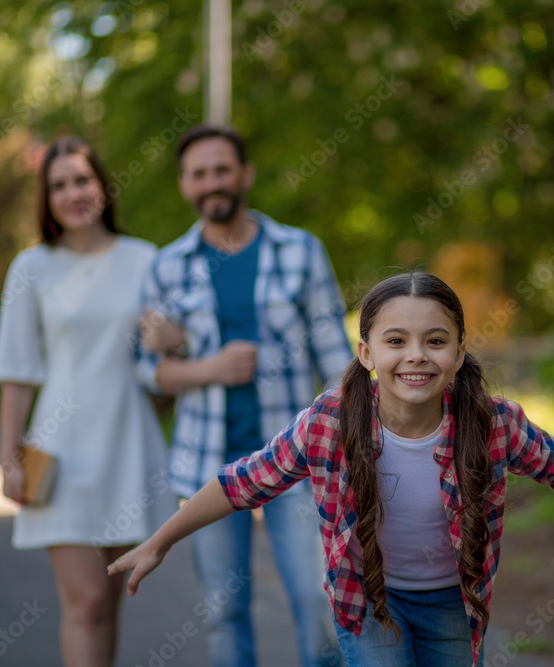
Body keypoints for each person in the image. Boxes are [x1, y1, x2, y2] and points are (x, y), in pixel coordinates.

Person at [109, 271, 554, 667]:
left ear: (459, 351)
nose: (416, 355)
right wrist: (160, 540)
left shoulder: (492, 424)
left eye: (435, 340)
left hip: (452, 603)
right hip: (368, 604)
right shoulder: (328, 425)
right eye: (396, 340)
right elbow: (241, 483)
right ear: (367, 353)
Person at [134, 124, 351, 667]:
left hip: (297, 461)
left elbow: (336, 356)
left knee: (316, 600)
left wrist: (357, 437)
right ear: (184, 184)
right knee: (224, 612)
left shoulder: (300, 251)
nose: (213, 182)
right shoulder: (167, 266)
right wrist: (206, 365)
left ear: (245, 175)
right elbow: (149, 372)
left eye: (222, 169)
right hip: (209, 468)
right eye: (199, 173)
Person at [0, 136, 173, 666]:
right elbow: (16, 372)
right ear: (45, 199)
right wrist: (9, 457)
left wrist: (172, 339)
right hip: (57, 450)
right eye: (58, 185)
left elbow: (162, 367)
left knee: (109, 603)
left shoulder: (145, 260)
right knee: (86, 602)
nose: (72, 193)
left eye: (81, 179)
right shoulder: (32, 268)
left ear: (102, 186)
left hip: (129, 445)